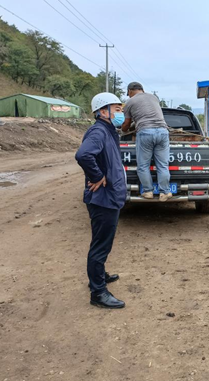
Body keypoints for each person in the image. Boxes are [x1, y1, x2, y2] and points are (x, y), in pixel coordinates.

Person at [75, 92, 127, 309]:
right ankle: (98, 292)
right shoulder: (99, 131)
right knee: (100, 245)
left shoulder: (108, 130)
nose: (120, 113)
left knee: (102, 241)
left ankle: (99, 276)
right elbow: (83, 155)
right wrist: (97, 176)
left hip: (109, 197)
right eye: (117, 109)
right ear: (102, 111)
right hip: (102, 199)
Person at [121, 82, 171, 201]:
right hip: (163, 132)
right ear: (142, 90)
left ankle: (148, 191)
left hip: (145, 133)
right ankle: (165, 192)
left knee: (143, 166)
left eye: (128, 94)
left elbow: (127, 124)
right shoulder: (154, 98)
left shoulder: (129, 102)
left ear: (130, 91)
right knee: (163, 165)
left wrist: (122, 130)